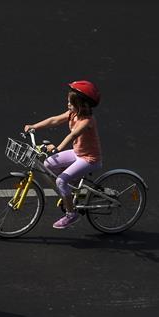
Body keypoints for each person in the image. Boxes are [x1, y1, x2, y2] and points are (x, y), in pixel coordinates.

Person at [24, 81, 102, 230]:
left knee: (60, 180)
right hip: (78, 153)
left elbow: (73, 135)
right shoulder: (73, 114)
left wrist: (57, 148)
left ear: (81, 105)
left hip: (89, 159)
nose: (68, 104)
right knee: (48, 164)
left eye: (71, 103)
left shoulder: (87, 121)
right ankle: (68, 193)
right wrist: (34, 126)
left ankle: (71, 214)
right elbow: (54, 120)